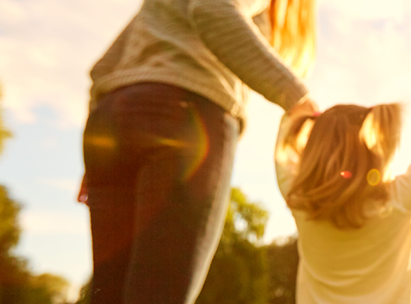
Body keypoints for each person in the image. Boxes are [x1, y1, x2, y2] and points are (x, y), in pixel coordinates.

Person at [79, 0, 317, 302]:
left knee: (108, 294)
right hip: (185, 119)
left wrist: (98, 154)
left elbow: (104, 68)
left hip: (110, 122)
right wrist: (299, 100)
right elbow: (212, 9)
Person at [274, 103, 411, 303]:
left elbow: (285, 150)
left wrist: (300, 110)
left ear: (312, 150)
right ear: (372, 149)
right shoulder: (399, 199)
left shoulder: (298, 200)